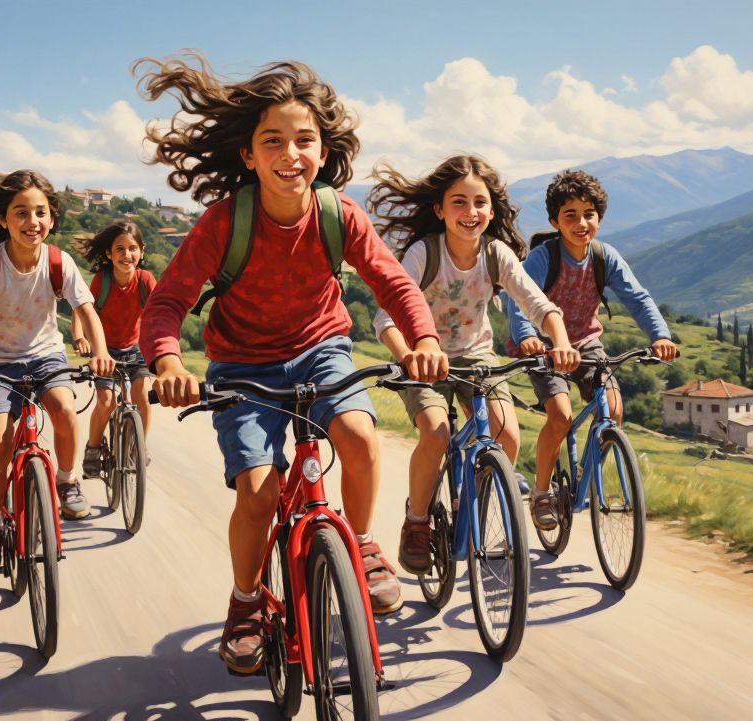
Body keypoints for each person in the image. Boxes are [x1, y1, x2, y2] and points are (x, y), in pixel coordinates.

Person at [135, 53, 446, 675]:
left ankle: (359, 543)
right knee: (259, 492)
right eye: (271, 140)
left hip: (321, 348)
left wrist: (424, 339)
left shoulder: (340, 214)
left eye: (304, 139)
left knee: (358, 437)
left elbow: (395, 285)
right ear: (249, 156)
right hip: (241, 365)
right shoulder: (226, 221)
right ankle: (246, 601)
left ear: (324, 150)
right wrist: (167, 362)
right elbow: (166, 303)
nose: (290, 152)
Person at [367, 155, 579, 575]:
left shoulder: (495, 253)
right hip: (421, 358)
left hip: (476, 354)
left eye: (479, 203)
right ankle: (417, 521)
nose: (471, 212)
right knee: (437, 431)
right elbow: (386, 317)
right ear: (440, 209)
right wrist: (408, 355)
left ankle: (473, 502)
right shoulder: (424, 253)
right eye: (459, 202)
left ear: (491, 210)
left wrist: (562, 342)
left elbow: (539, 305)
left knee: (506, 435)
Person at [0, 169, 115, 576]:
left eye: (40, 213)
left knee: (65, 412)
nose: (31, 221)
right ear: (3, 220)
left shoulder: (58, 261)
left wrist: (101, 353)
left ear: (51, 219)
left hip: (45, 355)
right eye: (21, 213)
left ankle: (67, 481)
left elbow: (86, 310)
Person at [507, 169, 679, 530]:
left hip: (586, 342)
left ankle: (588, 470)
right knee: (561, 415)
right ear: (555, 221)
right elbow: (519, 299)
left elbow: (637, 298)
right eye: (570, 215)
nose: (581, 222)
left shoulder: (604, 257)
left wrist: (660, 335)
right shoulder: (543, 258)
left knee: (613, 409)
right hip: (546, 348)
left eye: (589, 214)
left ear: (599, 217)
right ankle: (541, 492)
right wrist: (527, 337)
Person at [74, 221, 159, 478]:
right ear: (109, 254)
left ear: (141, 252)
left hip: (135, 349)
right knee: (106, 401)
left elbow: (160, 312)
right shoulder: (103, 281)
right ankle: (93, 448)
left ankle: (138, 446)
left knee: (142, 396)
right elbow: (82, 311)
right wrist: (80, 336)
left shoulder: (145, 281)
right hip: (104, 350)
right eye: (119, 249)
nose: (127, 255)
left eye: (133, 248)